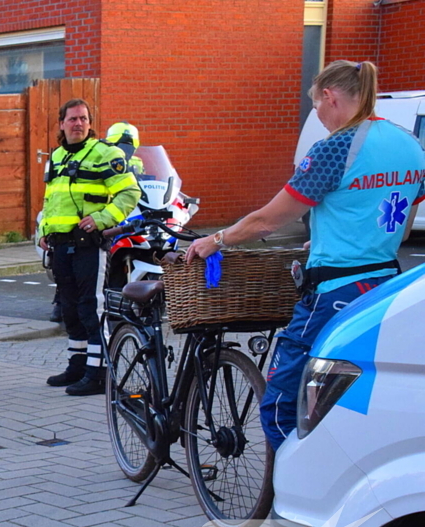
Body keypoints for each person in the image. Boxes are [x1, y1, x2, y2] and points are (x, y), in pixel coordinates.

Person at [186, 60, 425, 451]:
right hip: (384, 288)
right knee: (351, 399)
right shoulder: (409, 144)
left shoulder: (335, 148)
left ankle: (290, 500)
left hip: (334, 294)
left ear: (329, 97)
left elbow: (268, 220)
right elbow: (402, 213)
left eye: (316, 107)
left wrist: (217, 240)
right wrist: (338, 237)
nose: (320, 117)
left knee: (280, 407)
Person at [40, 99, 141, 396]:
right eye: (72, 119)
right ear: (61, 124)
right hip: (60, 245)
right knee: (69, 309)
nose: (78, 124)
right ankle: (77, 365)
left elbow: (129, 192)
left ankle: (98, 374)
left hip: (87, 246)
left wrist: (102, 219)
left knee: (91, 308)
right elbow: (51, 200)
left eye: (83, 118)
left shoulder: (104, 154)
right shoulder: (56, 156)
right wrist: (44, 231)